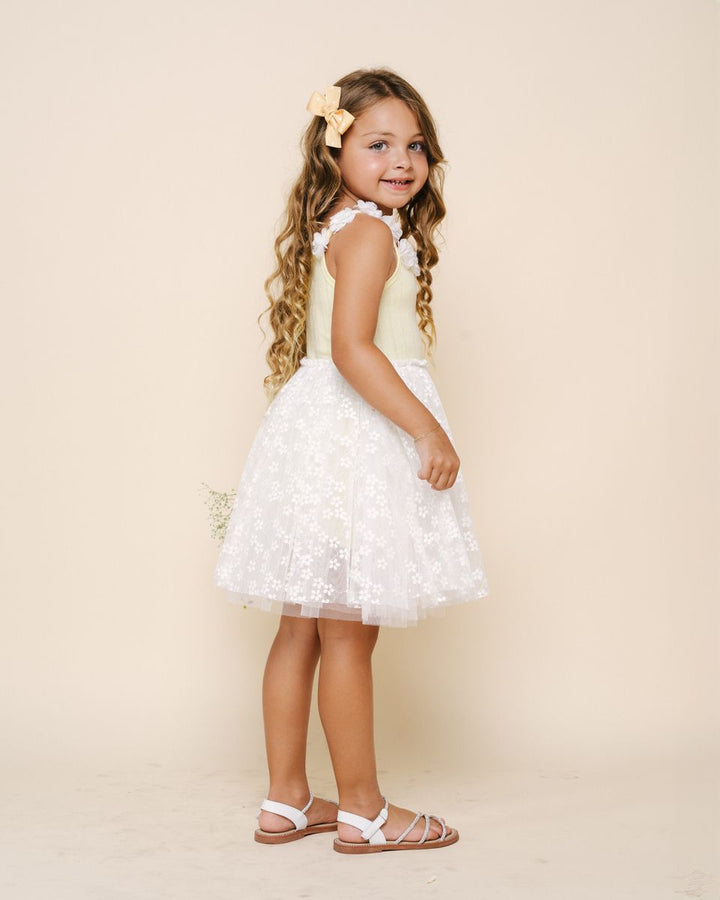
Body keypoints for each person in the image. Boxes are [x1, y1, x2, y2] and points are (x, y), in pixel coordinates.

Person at [214, 67, 490, 854]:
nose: (401, 160)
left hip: (314, 435)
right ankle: (366, 810)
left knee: (299, 626)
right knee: (346, 632)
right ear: (334, 150)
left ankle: (288, 799)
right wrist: (427, 433)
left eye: (415, 146)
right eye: (378, 144)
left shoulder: (335, 225)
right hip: (356, 437)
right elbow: (352, 350)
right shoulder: (368, 233)